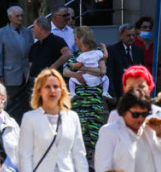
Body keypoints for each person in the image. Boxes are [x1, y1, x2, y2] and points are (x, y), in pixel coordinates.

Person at [93, 88, 161, 172]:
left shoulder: (151, 130)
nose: (140, 118)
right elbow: (103, 170)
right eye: (135, 114)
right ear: (123, 112)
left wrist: (159, 134)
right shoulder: (110, 132)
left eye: (144, 114)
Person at [63, 26, 107, 157]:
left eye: (76, 39)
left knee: (94, 129)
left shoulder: (98, 53)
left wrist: (84, 68)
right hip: (79, 100)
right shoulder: (76, 54)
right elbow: (65, 71)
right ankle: (82, 160)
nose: (75, 42)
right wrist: (76, 75)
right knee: (80, 131)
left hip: (94, 99)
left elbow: (102, 71)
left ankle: (94, 160)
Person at [0, 6, 33, 119]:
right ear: (10, 17)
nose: (20, 18)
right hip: (10, 76)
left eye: (22, 16)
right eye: (17, 16)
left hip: (26, 76)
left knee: (26, 106)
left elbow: (31, 53)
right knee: (11, 106)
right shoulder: (1, 33)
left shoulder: (28, 32)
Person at [107, 24, 148, 99]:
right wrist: (112, 94)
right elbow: (109, 73)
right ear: (121, 35)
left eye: (133, 35)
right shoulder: (112, 50)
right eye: (128, 35)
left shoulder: (139, 50)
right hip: (119, 92)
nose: (131, 38)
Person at [28, 16, 71, 87]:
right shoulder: (34, 46)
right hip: (34, 82)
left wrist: (53, 67)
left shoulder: (56, 41)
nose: (32, 30)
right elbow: (30, 65)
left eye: (34, 27)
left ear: (41, 28)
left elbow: (68, 54)